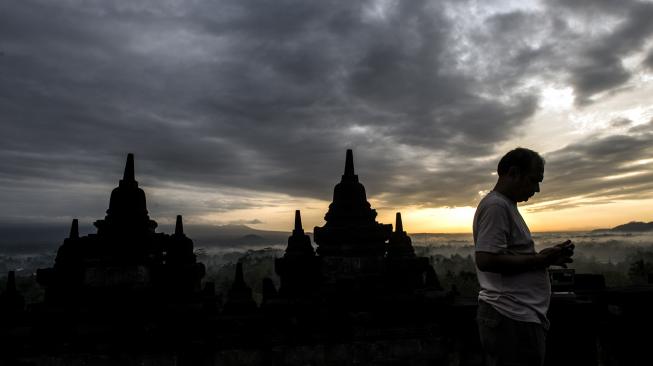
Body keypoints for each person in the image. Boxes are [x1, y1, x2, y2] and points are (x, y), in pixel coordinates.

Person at [474, 147, 574, 366]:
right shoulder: (496, 206)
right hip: (510, 315)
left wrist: (545, 258)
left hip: (516, 315)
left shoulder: (505, 206)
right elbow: (486, 259)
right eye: (533, 180)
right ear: (513, 173)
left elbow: (509, 256)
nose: (537, 189)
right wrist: (539, 261)